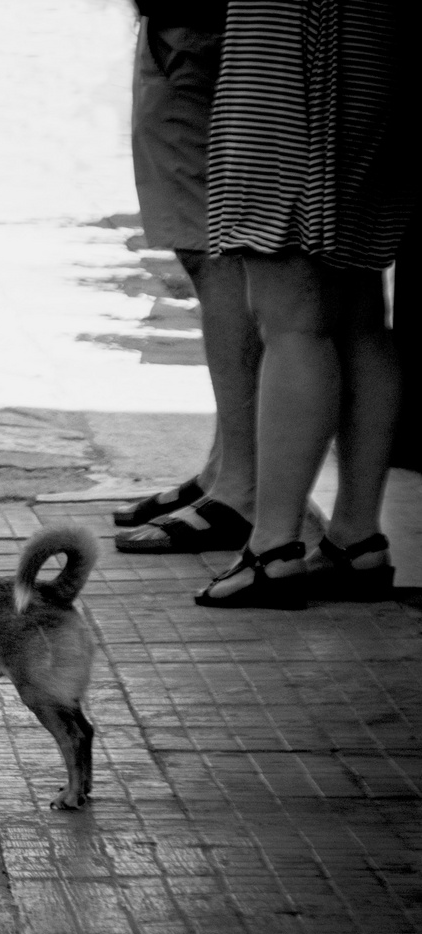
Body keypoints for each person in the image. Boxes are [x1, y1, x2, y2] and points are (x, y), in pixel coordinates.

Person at [194, 0, 413, 607]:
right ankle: (356, 538)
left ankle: (273, 549)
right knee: (362, 310)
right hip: (370, 52)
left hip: (300, 60)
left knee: (290, 316)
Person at [113, 0, 262, 556]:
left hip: (200, 29)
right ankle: (226, 471)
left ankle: (239, 489)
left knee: (217, 255)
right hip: (195, 26)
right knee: (216, 255)